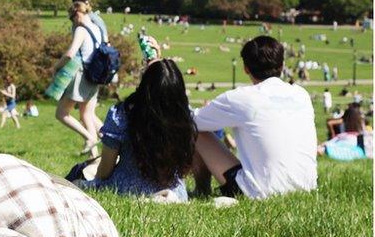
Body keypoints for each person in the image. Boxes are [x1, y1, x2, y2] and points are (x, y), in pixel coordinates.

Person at [191, 36, 317, 199]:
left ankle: (202, 191)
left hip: (259, 194)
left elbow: (193, 122)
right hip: (307, 189)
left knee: (196, 131)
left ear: (245, 68)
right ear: (282, 65)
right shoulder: (301, 95)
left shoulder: (241, 97)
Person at [76, 59, 195, 201]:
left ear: (144, 86)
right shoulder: (185, 118)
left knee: (77, 176)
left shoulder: (122, 114)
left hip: (127, 188)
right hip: (176, 192)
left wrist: (95, 181)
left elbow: (105, 171)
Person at [51, 2, 105, 157]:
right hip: (95, 75)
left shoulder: (81, 30)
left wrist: (56, 67)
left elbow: (70, 54)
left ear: (77, 14)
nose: (72, 22)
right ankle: (96, 155)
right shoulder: (97, 28)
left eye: (71, 18)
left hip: (81, 74)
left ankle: (89, 138)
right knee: (87, 115)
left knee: (61, 113)